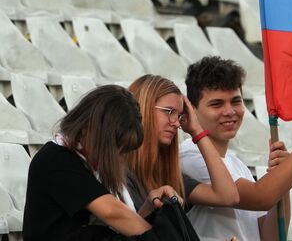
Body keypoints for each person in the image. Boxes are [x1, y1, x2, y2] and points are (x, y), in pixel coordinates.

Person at [180, 56, 292, 241]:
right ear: (191, 109)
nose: (229, 111)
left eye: (235, 101)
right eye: (216, 104)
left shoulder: (237, 164)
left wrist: (282, 179)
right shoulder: (190, 157)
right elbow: (261, 197)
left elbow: (270, 236)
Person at [23, 85, 183, 241]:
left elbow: (122, 225)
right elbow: (113, 214)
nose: (119, 157)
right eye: (116, 148)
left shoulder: (83, 159)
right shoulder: (57, 160)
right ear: (98, 133)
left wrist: (149, 206)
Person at [126, 74, 239, 211]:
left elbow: (228, 197)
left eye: (179, 115)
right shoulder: (118, 169)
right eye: (168, 111)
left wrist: (196, 130)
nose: (176, 123)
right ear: (142, 108)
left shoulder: (165, 172)